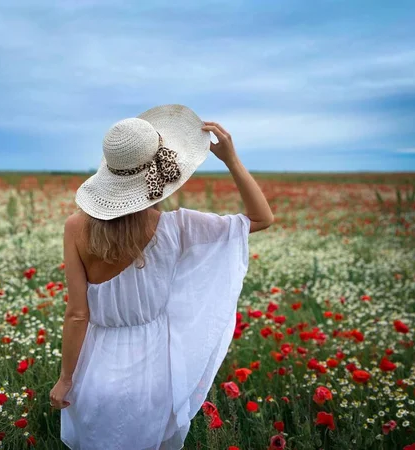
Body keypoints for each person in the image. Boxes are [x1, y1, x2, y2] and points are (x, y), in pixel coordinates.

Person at [49, 104, 274, 449]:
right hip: (155, 372)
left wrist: (66, 379)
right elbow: (260, 218)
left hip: (93, 371)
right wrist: (231, 160)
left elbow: (78, 314)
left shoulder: (75, 227)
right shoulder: (178, 226)